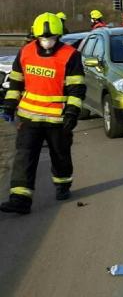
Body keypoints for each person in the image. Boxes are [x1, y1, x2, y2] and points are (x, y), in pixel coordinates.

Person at [0, 13, 86, 215]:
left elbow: (76, 88)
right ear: (36, 35)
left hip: (58, 119)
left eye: (52, 37)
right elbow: (16, 82)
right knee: (25, 157)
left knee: (60, 156)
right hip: (29, 117)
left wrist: (72, 113)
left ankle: (63, 184)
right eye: (44, 37)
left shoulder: (70, 55)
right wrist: (10, 105)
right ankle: (20, 199)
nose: (48, 41)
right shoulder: (25, 52)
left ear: (59, 35)